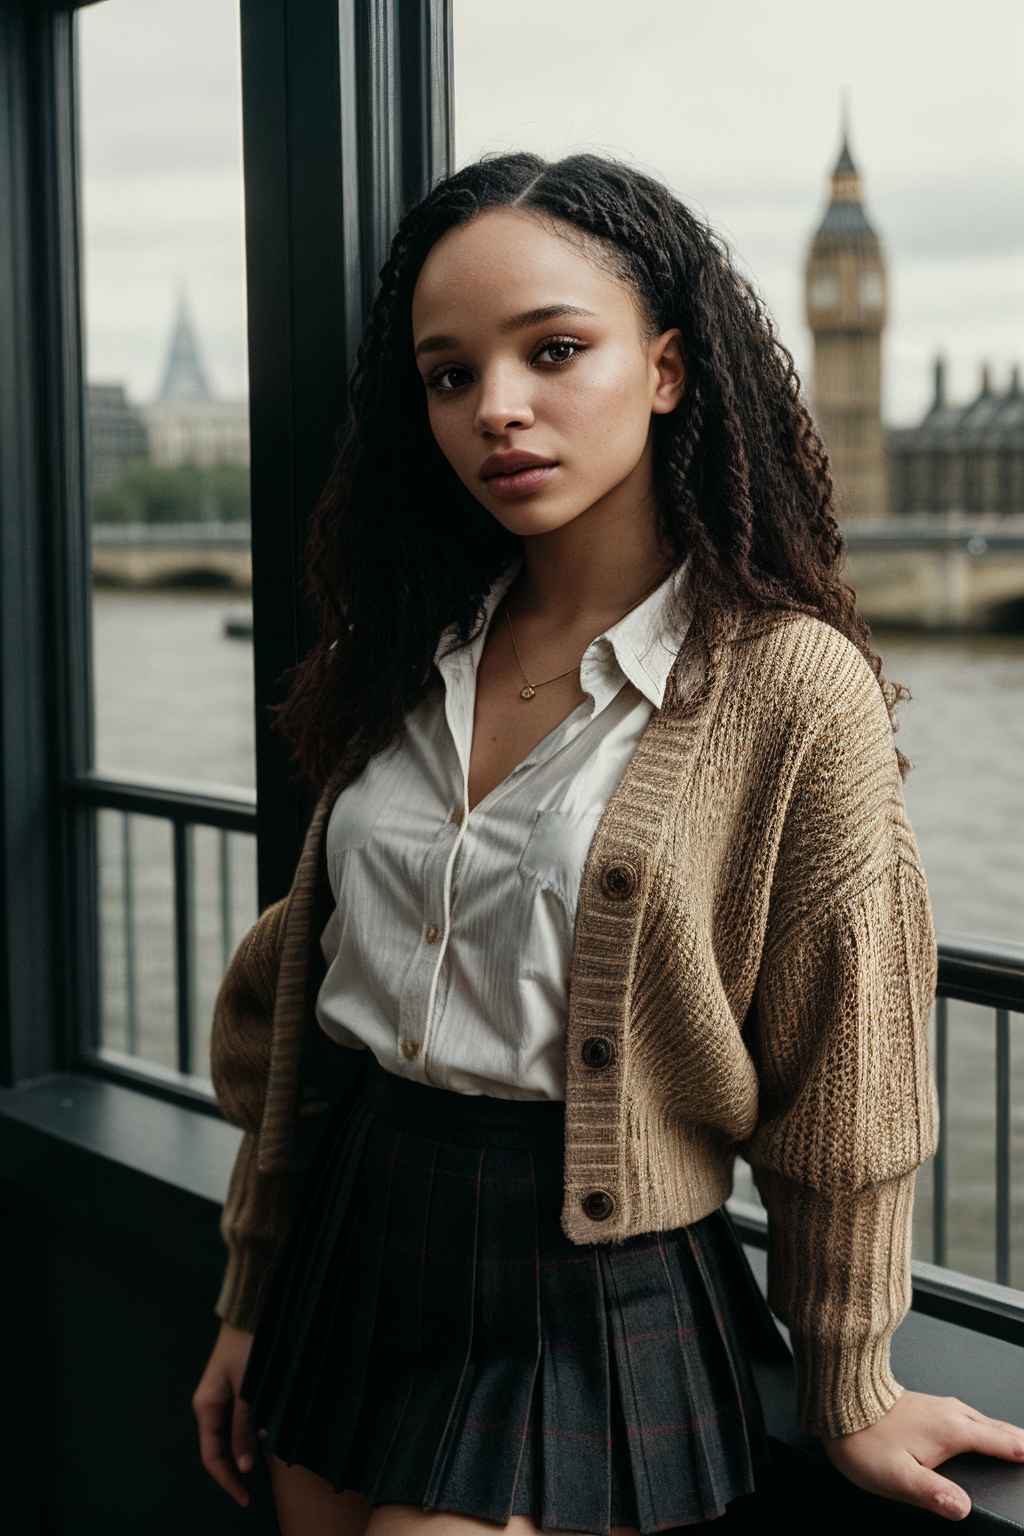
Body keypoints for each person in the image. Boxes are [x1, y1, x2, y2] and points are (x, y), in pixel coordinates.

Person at [192, 153, 1024, 1535]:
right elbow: (306, 1007)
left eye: (555, 349)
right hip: (348, 1244)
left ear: (669, 368)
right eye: (448, 375)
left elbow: (848, 1079)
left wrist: (852, 1377)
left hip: (577, 1280)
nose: (496, 409)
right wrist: (249, 1289)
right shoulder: (407, 649)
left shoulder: (785, 686)